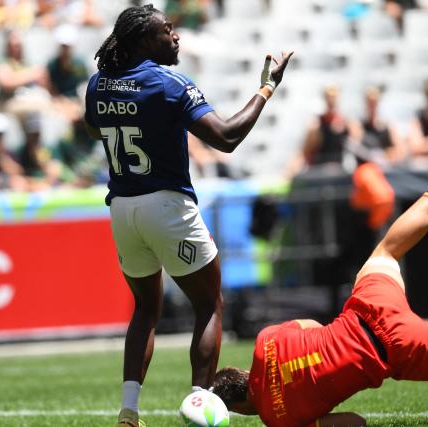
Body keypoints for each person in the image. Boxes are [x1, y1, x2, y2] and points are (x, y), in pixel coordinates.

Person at [83, 4, 292, 426]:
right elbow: (228, 137)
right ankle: (200, 404)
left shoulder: (97, 83)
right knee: (209, 304)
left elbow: (95, 126)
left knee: (145, 309)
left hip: (123, 209)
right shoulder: (167, 83)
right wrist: (267, 87)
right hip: (167, 204)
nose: (176, 36)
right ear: (145, 40)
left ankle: (129, 411)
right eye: (167, 30)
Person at [211, 132, 428, 427]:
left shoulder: (280, 421)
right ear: (244, 374)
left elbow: (355, 422)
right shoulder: (265, 342)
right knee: (386, 252)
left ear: (241, 409)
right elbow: (313, 326)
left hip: (395, 349)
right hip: (366, 309)